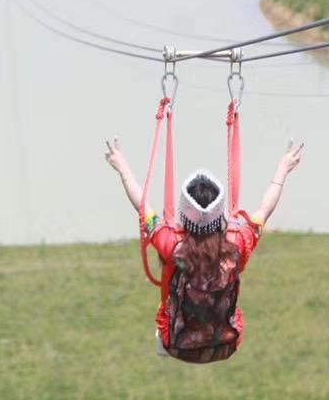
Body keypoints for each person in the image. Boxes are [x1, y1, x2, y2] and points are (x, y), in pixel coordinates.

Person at [103, 137, 304, 363]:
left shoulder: (171, 245)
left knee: (167, 299)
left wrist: (122, 168)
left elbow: (143, 208)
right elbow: (265, 211)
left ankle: (167, 333)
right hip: (226, 344)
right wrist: (283, 169)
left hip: (176, 345)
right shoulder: (237, 243)